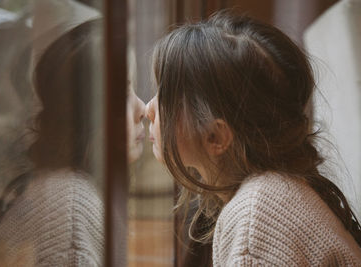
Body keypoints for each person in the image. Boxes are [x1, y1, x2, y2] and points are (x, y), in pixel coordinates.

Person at [146, 11, 361, 266]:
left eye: (165, 97)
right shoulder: (276, 192)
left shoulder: (256, 217)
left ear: (216, 137)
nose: (149, 108)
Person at [0, 19, 145, 266]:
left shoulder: (76, 189)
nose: (143, 108)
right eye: (123, 94)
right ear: (86, 113)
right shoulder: (71, 207)